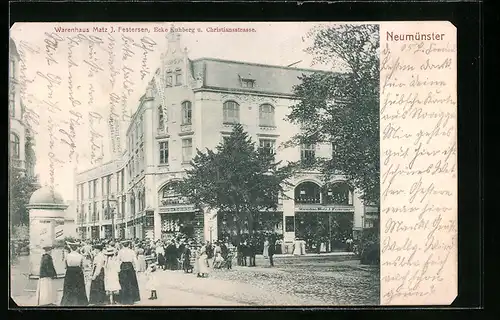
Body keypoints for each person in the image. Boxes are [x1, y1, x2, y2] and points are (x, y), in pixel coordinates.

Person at [60, 242, 89, 306]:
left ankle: (68, 302)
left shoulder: (67, 256)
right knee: (79, 287)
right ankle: (80, 302)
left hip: (69, 272)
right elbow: (83, 266)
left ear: (71, 248)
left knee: (69, 288)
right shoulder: (80, 256)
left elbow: (65, 266)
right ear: (76, 248)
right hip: (78, 272)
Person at [117, 240, 140, 304]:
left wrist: (118, 269)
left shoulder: (120, 251)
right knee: (131, 282)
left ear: (123, 245)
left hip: (123, 266)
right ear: (128, 245)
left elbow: (118, 260)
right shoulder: (132, 251)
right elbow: (135, 260)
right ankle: (132, 299)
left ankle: (123, 300)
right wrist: (137, 268)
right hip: (130, 266)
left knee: (123, 283)